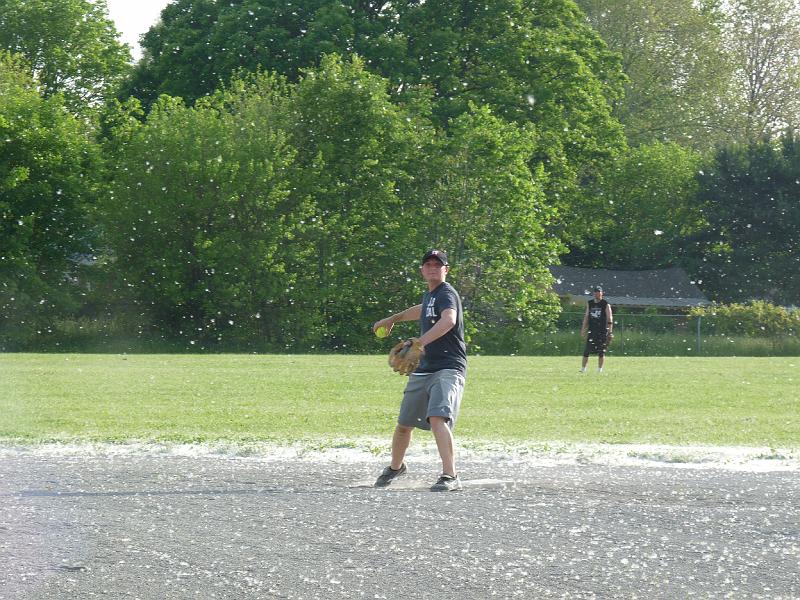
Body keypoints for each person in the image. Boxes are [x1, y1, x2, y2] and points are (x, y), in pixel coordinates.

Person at [371, 249, 467, 492]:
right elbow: (422, 309)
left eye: (438, 264)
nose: (433, 268)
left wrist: (420, 343)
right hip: (424, 368)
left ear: (446, 270)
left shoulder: (446, 293)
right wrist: (392, 319)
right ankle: (396, 467)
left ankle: (450, 475)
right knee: (404, 423)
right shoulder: (432, 295)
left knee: (437, 418)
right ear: (422, 270)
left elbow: (449, 320)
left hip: (448, 367)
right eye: (428, 264)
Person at [580, 286, 613, 373]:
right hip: (592, 330)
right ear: (593, 293)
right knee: (587, 350)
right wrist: (583, 329)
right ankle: (583, 369)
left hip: (602, 331)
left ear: (602, 293)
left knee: (601, 351)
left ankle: (599, 369)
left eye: (598, 292)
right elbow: (587, 316)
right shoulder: (590, 303)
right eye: (595, 292)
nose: (597, 294)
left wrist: (610, 332)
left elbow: (609, 318)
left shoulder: (605, 304)